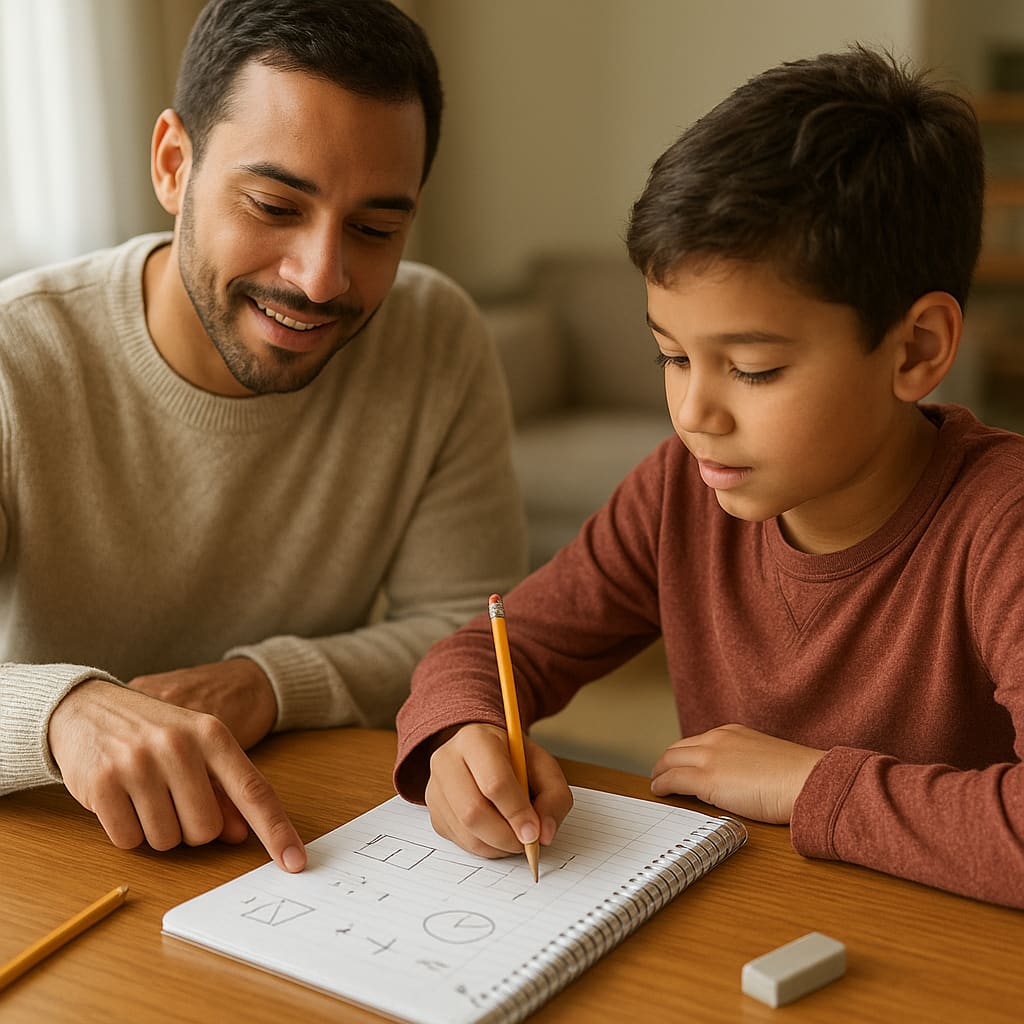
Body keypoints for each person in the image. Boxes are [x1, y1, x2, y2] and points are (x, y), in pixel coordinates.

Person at [393, 46, 1024, 909]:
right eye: (671, 355)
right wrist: (461, 731)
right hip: (736, 934)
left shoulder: (1003, 524)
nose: (693, 413)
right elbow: (497, 646)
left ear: (915, 350)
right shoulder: (681, 490)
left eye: (754, 369)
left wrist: (809, 786)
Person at [0, 0, 526, 874]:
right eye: (275, 205)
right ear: (173, 165)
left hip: (309, 837)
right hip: (56, 846)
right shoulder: (20, 355)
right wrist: (65, 712)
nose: (321, 277)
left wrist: (262, 685)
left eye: (374, 229)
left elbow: (473, 635)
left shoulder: (436, 335)